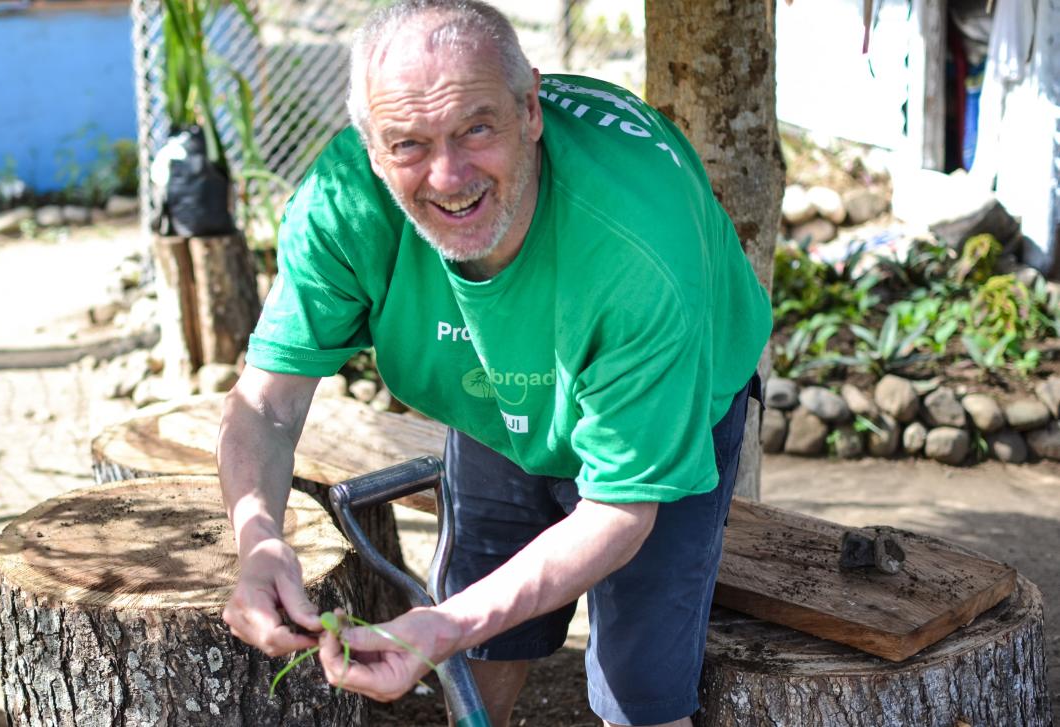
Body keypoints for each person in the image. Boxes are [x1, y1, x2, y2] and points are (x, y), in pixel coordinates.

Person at [217, 1, 771, 725]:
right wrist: (258, 540)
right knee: (476, 655)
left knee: (642, 688)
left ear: (530, 110)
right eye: (408, 145)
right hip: (494, 401)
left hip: (673, 393)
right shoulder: (344, 202)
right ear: (370, 147)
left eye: (476, 128)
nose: (448, 176)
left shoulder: (638, 256)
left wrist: (446, 622)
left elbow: (619, 508)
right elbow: (266, 403)